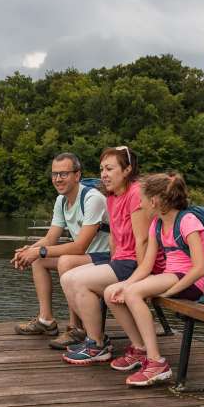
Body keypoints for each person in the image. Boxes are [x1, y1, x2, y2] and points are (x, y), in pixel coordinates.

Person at [105, 171, 204, 386]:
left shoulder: (188, 221)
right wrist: (126, 284)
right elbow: (146, 266)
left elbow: (199, 269)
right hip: (170, 278)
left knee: (133, 293)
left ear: (154, 201)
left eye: (141, 199)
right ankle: (140, 349)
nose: (139, 204)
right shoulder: (157, 225)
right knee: (111, 292)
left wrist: (168, 292)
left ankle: (156, 362)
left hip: (190, 282)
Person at [60, 146, 152, 364]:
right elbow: (114, 239)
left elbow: (143, 240)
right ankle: (96, 339)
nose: (104, 174)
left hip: (136, 263)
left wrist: (140, 278)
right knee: (68, 277)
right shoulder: (112, 197)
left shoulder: (136, 193)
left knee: (80, 281)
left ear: (127, 170)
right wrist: (111, 264)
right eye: (102, 169)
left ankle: (96, 345)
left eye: (110, 169)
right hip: (120, 260)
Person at [11, 152, 110, 348]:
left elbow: (79, 246)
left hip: (107, 257)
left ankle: (76, 328)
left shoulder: (92, 199)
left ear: (77, 175)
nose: (58, 179)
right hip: (86, 257)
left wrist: (39, 251)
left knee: (66, 260)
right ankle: (46, 320)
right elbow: (50, 239)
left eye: (64, 174)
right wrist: (29, 250)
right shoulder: (61, 200)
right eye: (54, 174)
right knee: (39, 260)